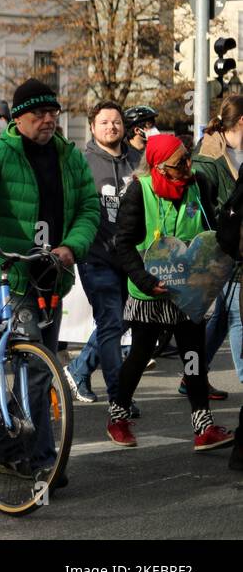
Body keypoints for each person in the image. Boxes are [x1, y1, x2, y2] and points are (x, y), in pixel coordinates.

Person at [0, 78, 99, 489]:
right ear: (19, 118)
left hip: (50, 274)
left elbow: (89, 207)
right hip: (9, 272)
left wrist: (71, 246)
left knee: (37, 366)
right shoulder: (0, 154)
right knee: (35, 365)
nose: (48, 120)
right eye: (39, 114)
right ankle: (42, 459)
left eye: (53, 113)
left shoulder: (69, 157)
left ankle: (10, 454)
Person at [105, 135, 235, 452]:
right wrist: (146, 280)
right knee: (141, 352)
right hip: (149, 288)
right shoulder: (139, 190)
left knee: (193, 353)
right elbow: (122, 244)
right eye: (180, 164)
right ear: (159, 167)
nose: (188, 167)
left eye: (188, 158)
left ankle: (203, 426)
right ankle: (118, 416)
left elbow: (211, 227)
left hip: (187, 287)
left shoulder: (198, 185)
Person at [64, 101, 143, 406]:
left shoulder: (137, 160)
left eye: (116, 122)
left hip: (131, 257)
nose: (112, 126)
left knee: (122, 321)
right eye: (105, 122)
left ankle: (79, 369)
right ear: (93, 127)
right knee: (111, 321)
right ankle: (119, 397)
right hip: (97, 256)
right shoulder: (81, 162)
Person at [194, 95, 243, 399]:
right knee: (239, 317)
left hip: (235, 247)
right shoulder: (208, 158)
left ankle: (193, 375)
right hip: (227, 249)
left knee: (224, 318)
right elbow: (203, 210)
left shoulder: (237, 152)